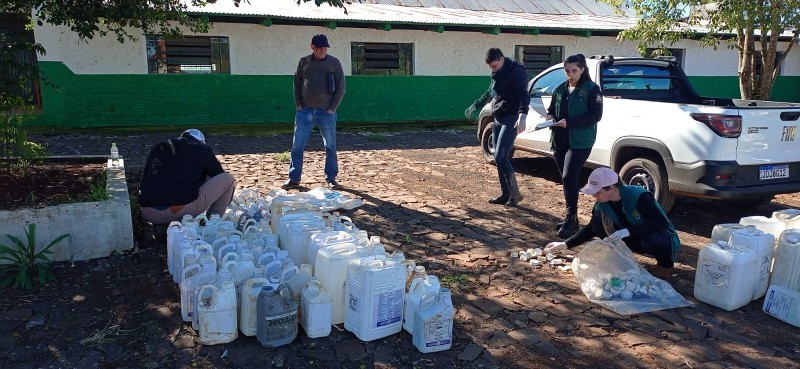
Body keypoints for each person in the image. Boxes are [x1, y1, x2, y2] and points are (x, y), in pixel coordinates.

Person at [543, 167, 681, 276]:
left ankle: (665, 266)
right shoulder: (602, 204)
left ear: (611, 187)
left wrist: (626, 231)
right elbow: (591, 229)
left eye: (597, 191)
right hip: (628, 239)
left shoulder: (639, 196)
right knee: (597, 220)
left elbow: (660, 223)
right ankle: (620, 257)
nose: (593, 195)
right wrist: (566, 244)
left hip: (653, 236)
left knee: (655, 240)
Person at [547, 54, 603, 239]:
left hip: (580, 141)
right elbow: (550, 110)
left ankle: (571, 219)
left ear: (583, 70)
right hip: (559, 139)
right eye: (567, 71)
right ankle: (572, 218)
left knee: (569, 176)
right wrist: (549, 118)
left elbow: (595, 116)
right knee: (567, 180)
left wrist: (569, 123)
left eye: (574, 71)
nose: (570, 74)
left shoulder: (591, 90)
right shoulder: (559, 89)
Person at [282, 33, 346, 190]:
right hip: (305, 112)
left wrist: (332, 108)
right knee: (297, 145)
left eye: (325, 48)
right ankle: (294, 178)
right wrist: (298, 104)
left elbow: (341, 87)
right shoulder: (304, 62)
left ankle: (331, 178)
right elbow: (296, 84)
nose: (323, 51)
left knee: (330, 145)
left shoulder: (334, 63)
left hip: (326, 113)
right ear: (312, 47)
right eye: (320, 48)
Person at [468, 48, 530, 207]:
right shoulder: (497, 73)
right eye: (491, 67)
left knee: (501, 156)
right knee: (499, 156)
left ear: (502, 59)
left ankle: (515, 194)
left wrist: (523, 115)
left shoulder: (517, 72)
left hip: (512, 117)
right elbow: (491, 92)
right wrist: (476, 105)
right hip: (499, 115)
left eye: (495, 66)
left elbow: (524, 95)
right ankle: (506, 193)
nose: (493, 69)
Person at [139, 129, 236, 224]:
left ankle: (162, 225)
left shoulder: (160, 147)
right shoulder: (203, 150)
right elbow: (218, 175)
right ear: (201, 142)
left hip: (148, 211)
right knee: (228, 180)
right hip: (175, 211)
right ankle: (212, 224)